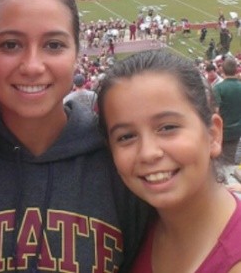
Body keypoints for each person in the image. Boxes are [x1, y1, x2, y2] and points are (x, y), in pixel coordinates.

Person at [0, 0, 150, 272]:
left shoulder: (121, 161)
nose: (32, 66)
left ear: (76, 53)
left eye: (54, 45)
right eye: (10, 45)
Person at [97, 50, 241, 273]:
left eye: (168, 127)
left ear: (213, 135)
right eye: (126, 136)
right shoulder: (131, 226)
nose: (148, 153)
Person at [214, 56, 241, 164]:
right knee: (229, 161)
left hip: (221, 131)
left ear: (222, 70)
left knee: (217, 161)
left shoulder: (218, 88)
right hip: (237, 131)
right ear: (236, 69)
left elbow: (215, 110)